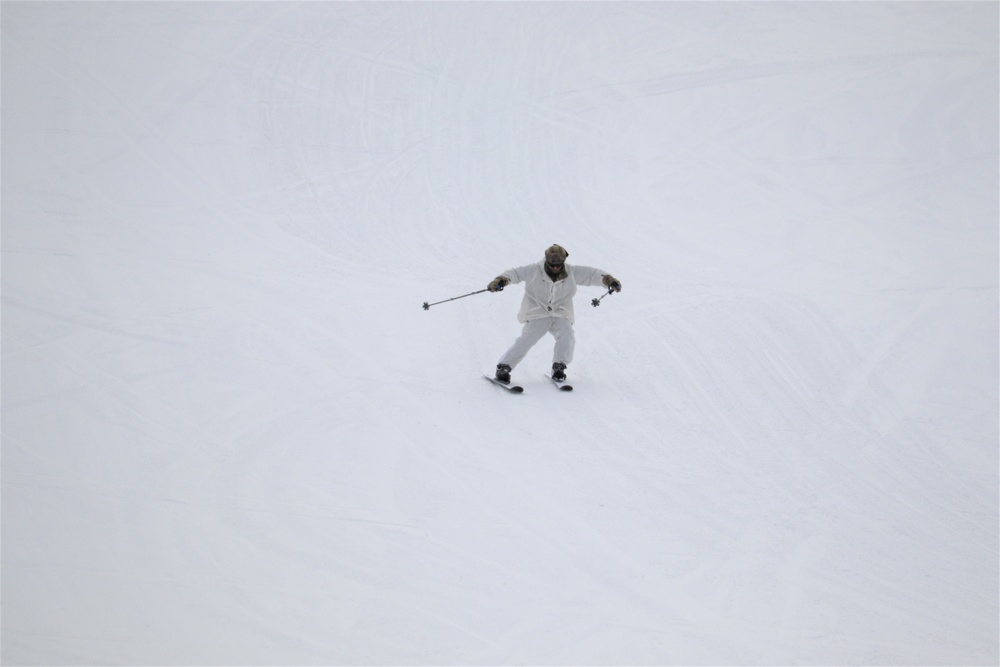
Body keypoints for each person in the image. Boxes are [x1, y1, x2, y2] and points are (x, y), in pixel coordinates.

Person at [487, 244, 621, 384]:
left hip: (560, 311)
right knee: (528, 338)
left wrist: (609, 281)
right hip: (537, 311)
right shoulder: (533, 270)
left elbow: (593, 275)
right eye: (553, 265)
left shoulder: (572, 272)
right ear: (547, 261)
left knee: (567, 334)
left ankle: (559, 367)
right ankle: (504, 367)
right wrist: (501, 280)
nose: (556, 267)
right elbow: (514, 274)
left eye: (559, 265)